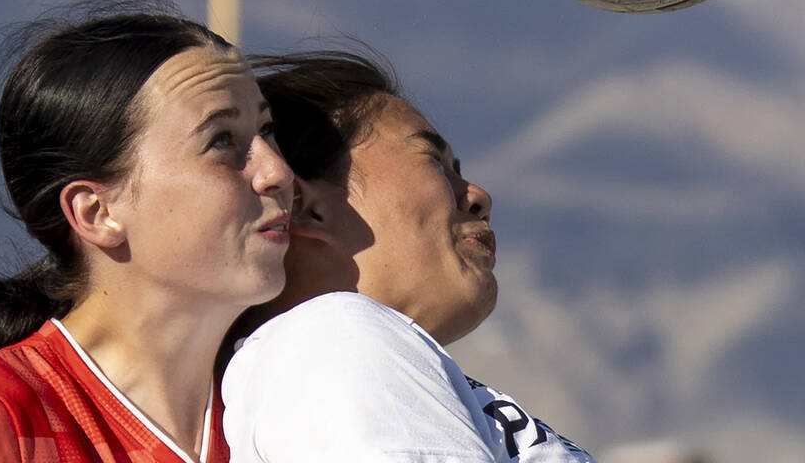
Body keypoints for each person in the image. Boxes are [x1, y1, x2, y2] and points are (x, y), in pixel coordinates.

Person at [0, 1, 295, 463]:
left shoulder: (293, 401)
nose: (277, 171)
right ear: (96, 212)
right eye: (222, 140)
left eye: (267, 130)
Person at [221, 50, 596, 462]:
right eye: (435, 162)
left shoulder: (333, 353)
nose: (477, 196)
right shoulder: (333, 336)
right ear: (307, 207)